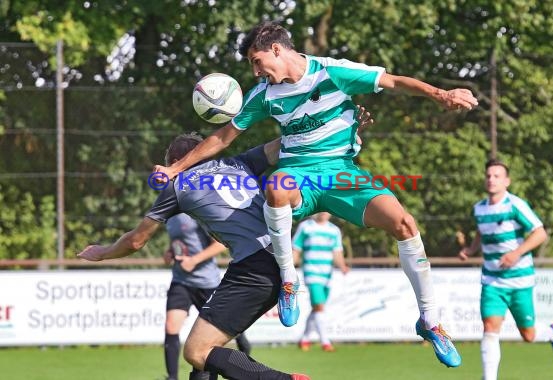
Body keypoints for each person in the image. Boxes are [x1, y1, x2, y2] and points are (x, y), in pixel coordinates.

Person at [152, 21, 479, 367]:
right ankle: (289, 280)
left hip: (341, 174)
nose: (255, 70)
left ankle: (430, 321)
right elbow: (221, 138)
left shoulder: (333, 71)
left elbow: (395, 82)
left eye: (256, 60)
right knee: (277, 187)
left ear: (276, 49)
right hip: (299, 174)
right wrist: (176, 169)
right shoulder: (263, 94)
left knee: (404, 223)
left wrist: (442, 95)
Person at [79, 134, 310, 380]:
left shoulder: (179, 186)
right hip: (278, 259)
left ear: (178, 161)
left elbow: (136, 240)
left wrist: (103, 252)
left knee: (197, 351)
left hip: (255, 268)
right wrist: (336, 125)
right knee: (204, 358)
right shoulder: (237, 163)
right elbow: (286, 142)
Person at [458, 159, 553, 380]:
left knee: (528, 334)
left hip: (519, 280)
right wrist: (470, 249)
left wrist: (516, 253)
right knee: (490, 327)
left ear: (507, 181)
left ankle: (552, 333)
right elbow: (481, 232)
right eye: (488, 175)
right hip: (491, 280)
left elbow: (540, 233)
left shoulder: (515, 205)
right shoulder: (479, 209)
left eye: (497, 176)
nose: (491, 179)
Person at [162, 212, 251, 380]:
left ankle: (242, 342)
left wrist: (194, 260)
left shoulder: (195, 211)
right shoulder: (169, 215)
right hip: (181, 281)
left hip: (206, 283)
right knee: (170, 326)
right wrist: (170, 252)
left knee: (216, 333)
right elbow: (180, 241)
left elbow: (219, 244)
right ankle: (172, 377)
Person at [292, 212, 349, 352]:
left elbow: (337, 252)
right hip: (311, 272)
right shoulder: (306, 227)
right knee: (319, 306)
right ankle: (325, 342)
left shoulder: (333, 230)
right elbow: (296, 249)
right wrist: (289, 268)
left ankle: (304, 339)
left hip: (327, 274)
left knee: (318, 307)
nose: (324, 213)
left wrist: (342, 266)